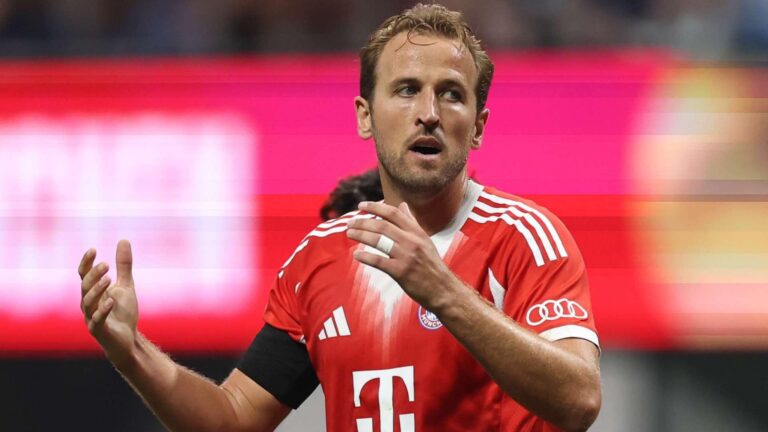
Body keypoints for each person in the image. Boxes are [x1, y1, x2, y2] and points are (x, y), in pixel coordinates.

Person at [78, 3, 601, 431]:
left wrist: (443, 290)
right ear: (364, 116)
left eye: (451, 94)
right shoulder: (318, 260)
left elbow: (579, 400)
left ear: (479, 126)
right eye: (406, 89)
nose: (429, 113)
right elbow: (233, 418)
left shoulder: (525, 238)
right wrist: (133, 354)